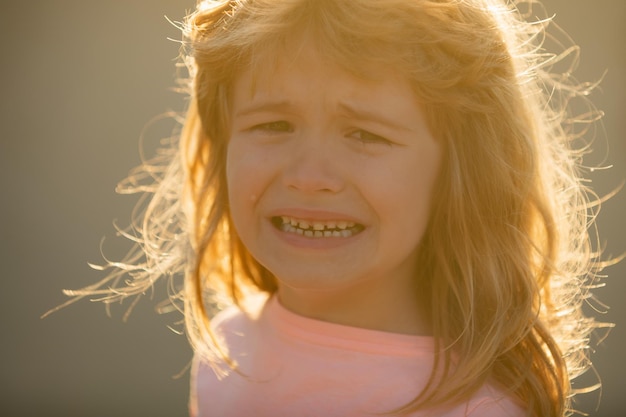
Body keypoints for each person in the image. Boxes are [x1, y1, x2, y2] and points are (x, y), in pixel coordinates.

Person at [49, 0, 612, 415]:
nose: (309, 177)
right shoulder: (229, 350)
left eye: (365, 134)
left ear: (459, 172)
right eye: (273, 124)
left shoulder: (476, 407)